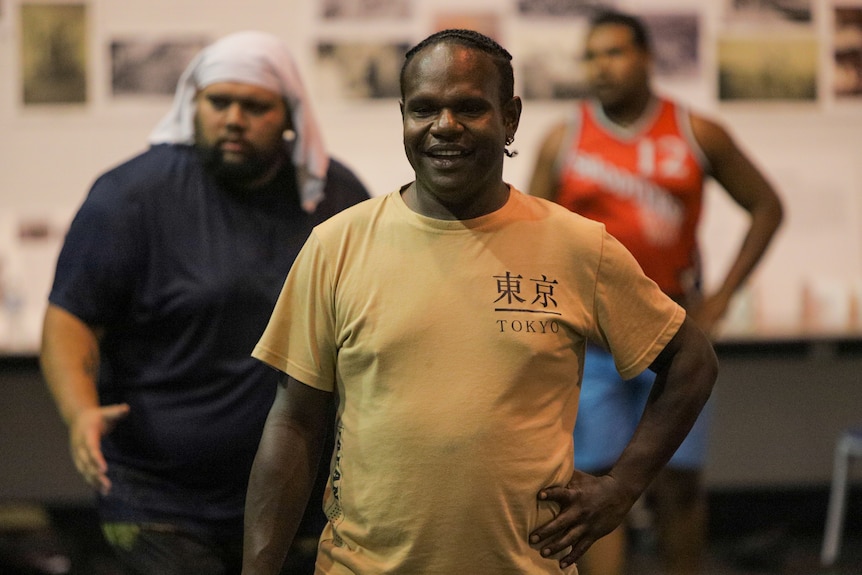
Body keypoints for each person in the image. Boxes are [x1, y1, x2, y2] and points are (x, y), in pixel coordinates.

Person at [242, 28, 718, 575]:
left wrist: (623, 486)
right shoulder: (337, 246)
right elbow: (294, 423)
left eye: (469, 107)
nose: (445, 127)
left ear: (510, 116)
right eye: (424, 109)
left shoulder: (578, 247)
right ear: (403, 116)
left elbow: (691, 359)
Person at [39, 31, 370, 575]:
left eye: (255, 105)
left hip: (297, 499)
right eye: (218, 102)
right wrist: (80, 413)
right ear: (193, 105)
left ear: (288, 113)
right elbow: (71, 318)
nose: (234, 117)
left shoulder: (333, 196)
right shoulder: (130, 198)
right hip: (161, 502)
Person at [528, 11, 784, 575]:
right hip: (591, 344)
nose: (601, 66)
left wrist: (720, 300)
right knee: (590, 486)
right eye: (591, 56)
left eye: (614, 52)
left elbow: (767, 206)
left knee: (680, 481)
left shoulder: (696, 131)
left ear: (646, 57)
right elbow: (530, 237)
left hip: (672, 337)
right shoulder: (563, 138)